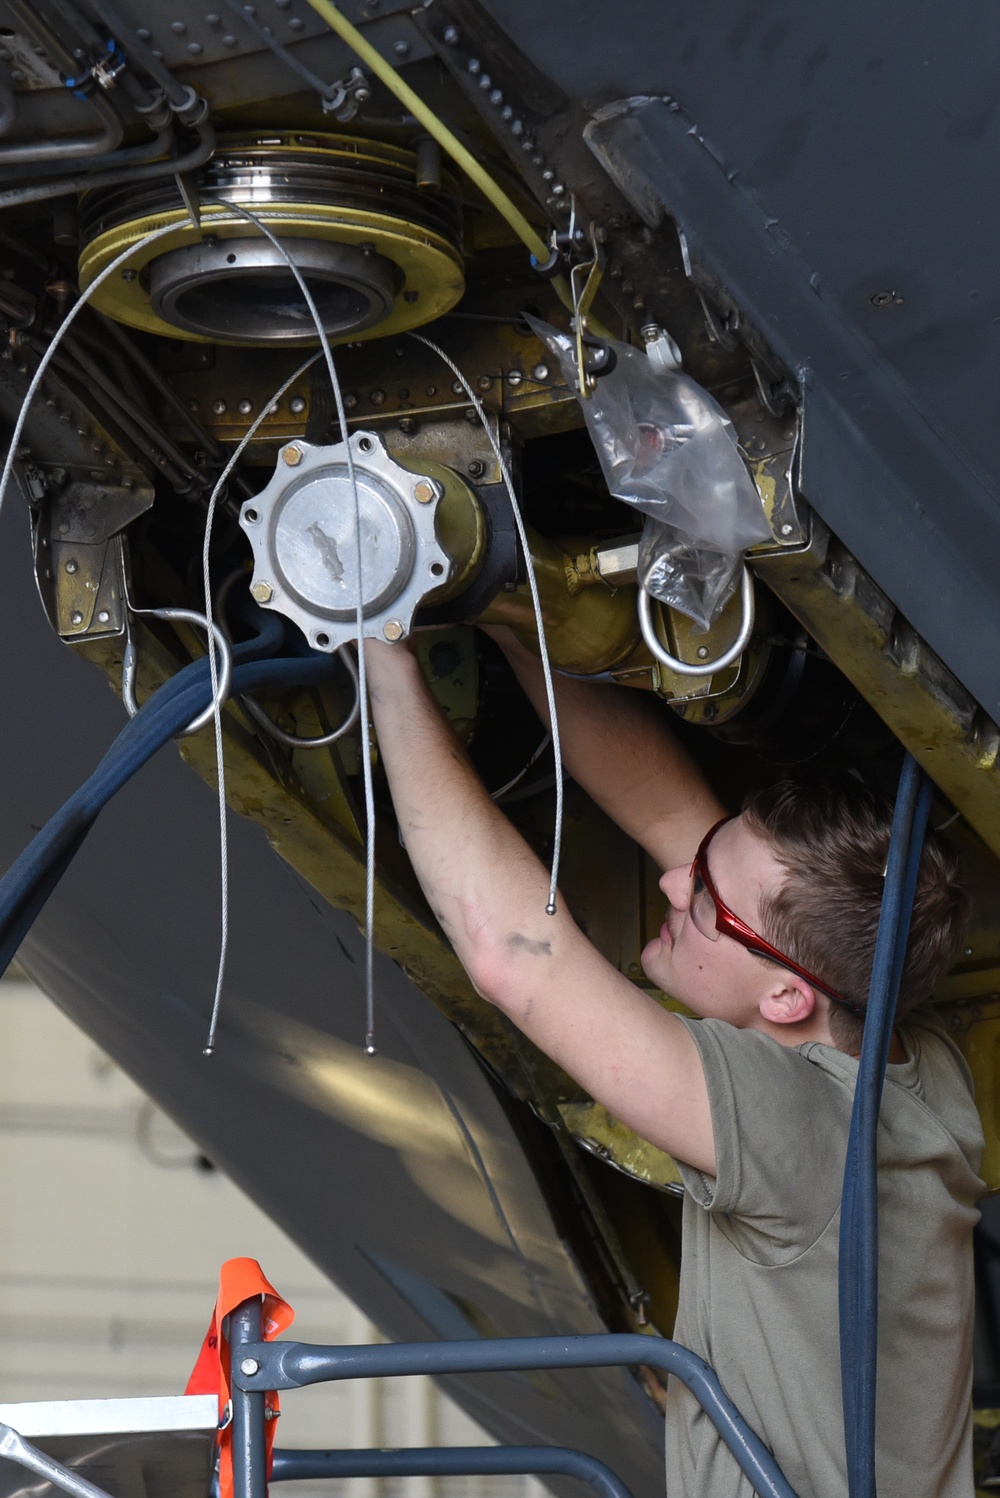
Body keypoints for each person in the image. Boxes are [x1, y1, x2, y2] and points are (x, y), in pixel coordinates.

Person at [363, 624, 985, 1498]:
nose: (672, 884)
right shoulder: (913, 1066)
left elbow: (511, 957)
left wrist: (381, 658)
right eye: (704, 865)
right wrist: (518, 619)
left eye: (706, 906)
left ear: (785, 999)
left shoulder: (798, 1123)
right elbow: (666, 812)